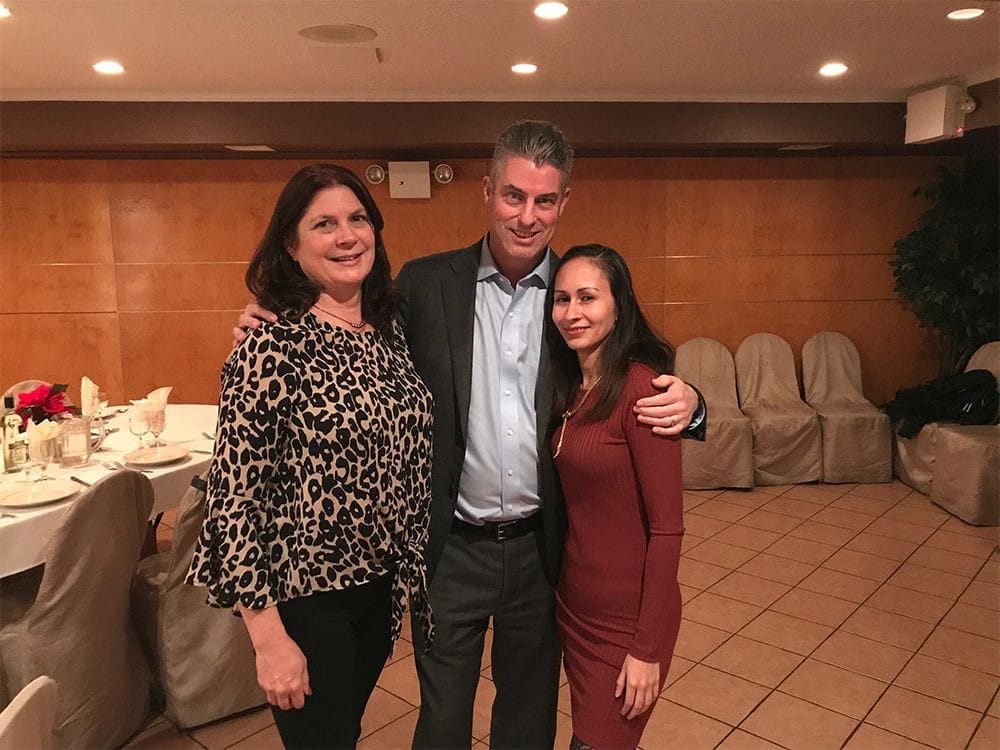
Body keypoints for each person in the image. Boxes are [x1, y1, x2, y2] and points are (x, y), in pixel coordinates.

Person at [236, 120, 705, 749]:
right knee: (443, 715)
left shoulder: (574, 297)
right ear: (487, 191)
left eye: (545, 200)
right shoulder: (425, 287)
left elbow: (638, 362)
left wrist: (694, 402)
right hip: (450, 546)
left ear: (564, 202)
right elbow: (343, 319)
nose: (527, 216)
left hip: (542, 551)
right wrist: (268, 314)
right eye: (514, 195)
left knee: (528, 712)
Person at [188, 164, 434, 750]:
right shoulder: (271, 344)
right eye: (324, 224)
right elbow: (234, 499)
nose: (347, 236)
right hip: (305, 599)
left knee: (340, 733)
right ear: (291, 245)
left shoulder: (391, 328)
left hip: (378, 589)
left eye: (357, 219)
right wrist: (269, 640)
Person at [547, 244, 683, 750]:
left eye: (588, 296)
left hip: (627, 622)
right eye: (562, 299)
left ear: (619, 303)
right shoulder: (570, 386)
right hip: (574, 605)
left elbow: (668, 527)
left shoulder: (645, 391)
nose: (572, 312)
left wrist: (646, 648)